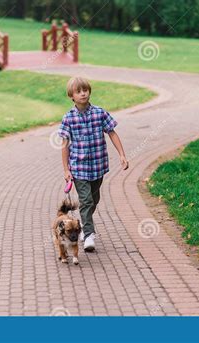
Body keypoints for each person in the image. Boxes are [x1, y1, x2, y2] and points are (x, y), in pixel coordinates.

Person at [58, 76, 129, 252]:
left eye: (85, 90)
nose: (83, 94)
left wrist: (122, 155)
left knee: (94, 200)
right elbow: (65, 144)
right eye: (78, 91)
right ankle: (89, 235)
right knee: (87, 200)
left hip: (98, 166)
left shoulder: (99, 113)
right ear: (71, 96)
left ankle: (82, 222)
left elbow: (112, 132)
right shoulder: (68, 118)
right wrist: (66, 169)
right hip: (79, 168)